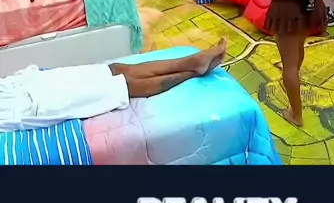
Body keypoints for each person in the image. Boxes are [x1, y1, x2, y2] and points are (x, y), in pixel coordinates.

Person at [0, 39, 227, 132]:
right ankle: (192, 72)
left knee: (114, 69)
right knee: (122, 86)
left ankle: (192, 61)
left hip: (22, 85)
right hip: (25, 107)